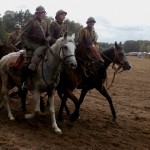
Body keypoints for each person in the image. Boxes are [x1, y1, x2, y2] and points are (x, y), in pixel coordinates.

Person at [20, 5, 50, 89]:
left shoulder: (45, 23)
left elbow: (49, 35)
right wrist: (28, 46)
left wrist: (47, 39)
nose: (41, 14)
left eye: (42, 12)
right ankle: (23, 82)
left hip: (42, 45)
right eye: (39, 12)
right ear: (36, 13)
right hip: (31, 44)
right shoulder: (31, 21)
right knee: (28, 62)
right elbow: (23, 35)